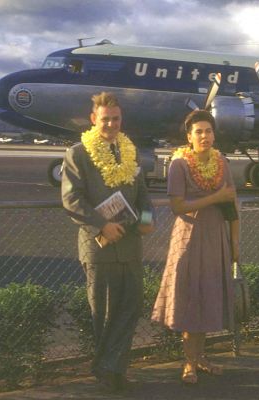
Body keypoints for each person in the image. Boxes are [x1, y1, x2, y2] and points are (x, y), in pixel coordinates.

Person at [61, 91, 154, 392]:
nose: (111, 124)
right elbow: (71, 199)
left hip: (129, 245)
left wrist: (147, 221)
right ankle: (108, 371)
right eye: (105, 119)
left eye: (115, 119)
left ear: (121, 119)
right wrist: (103, 224)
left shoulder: (130, 151)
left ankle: (113, 366)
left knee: (131, 304)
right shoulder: (78, 153)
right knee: (101, 310)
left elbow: (143, 194)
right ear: (93, 119)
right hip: (98, 242)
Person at [152, 109, 239, 384]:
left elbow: (232, 205)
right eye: (199, 132)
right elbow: (178, 206)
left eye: (209, 131)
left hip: (215, 237)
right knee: (191, 297)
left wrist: (235, 244)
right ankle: (188, 362)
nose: (205, 136)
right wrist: (215, 197)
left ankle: (200, 357)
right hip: (188, 238)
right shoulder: (179, 164)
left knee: (207, 297)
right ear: (189, 137)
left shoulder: (222, 162)